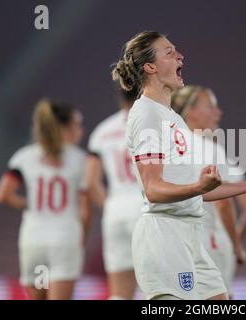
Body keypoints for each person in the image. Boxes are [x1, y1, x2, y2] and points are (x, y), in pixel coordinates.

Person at [112, 31, 246, 300]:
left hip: (192, 235)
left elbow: (198, 191)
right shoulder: (146, 115)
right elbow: (153, 189)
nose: (180, 56)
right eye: (169, 52)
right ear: (150, 67)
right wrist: (198, 185)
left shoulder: (172, 118)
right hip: (165, 237)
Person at [0, 99, 90, 300]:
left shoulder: (25, 156)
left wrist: (29, 204)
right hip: (65, 241)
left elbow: (3, 194)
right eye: (77, 125)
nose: (80, 130)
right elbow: (85, 211)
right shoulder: (80, 159)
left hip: (34, 241)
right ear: (64, 128)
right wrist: (82, 239)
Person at [171, 85, 246, 298]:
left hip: (170, 239)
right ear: (190, 111)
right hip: (207, 239)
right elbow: (224, 203)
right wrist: (236, 245)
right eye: (211, 106)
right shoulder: (210, 149)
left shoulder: (165, 145)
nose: (218, 112)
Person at [85, 86, 141, 300]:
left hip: (115, 211)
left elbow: (90, 183)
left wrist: (110, 207)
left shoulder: (102, 131)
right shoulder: (155, 125)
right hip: (146, 207)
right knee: (153, 285)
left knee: (119, 291)